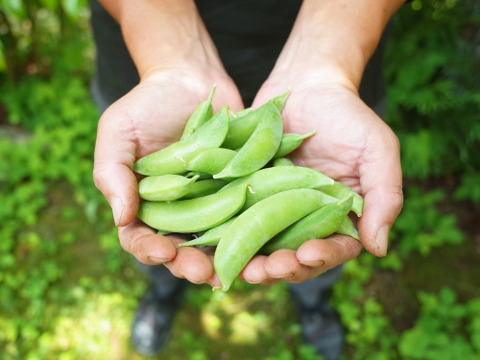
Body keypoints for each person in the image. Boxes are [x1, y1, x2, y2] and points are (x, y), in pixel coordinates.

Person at [90, 1, 404, 359]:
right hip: (147, 47)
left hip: (340, 44)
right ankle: (162, 290)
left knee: (312, 249)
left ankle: (313, 299)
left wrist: (329, 64)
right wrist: (171, 59)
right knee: (155, 233)